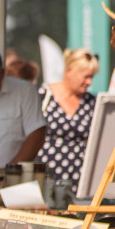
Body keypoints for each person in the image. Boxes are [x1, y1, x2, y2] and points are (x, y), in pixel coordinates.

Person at [35, 48, 100, 189]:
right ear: (69, 71)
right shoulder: (42, 95)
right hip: (46, 177)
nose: (89, 82)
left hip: (80, 180)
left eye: (92, 77)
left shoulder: (92, 102)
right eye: (86, 76)